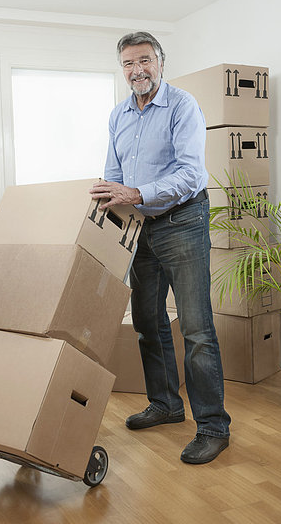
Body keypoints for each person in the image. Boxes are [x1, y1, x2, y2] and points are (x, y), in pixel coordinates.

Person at [90, 31, 231, 464]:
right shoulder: (118, 116)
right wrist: (109, 195)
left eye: (145, 60)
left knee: (196, 327)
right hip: (140, 229)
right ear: (123, 69)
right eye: (129, 63)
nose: (137, 70)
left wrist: (136, 192)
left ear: (160, 62)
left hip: (182, 221)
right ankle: (167, 404)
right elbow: (114, 176)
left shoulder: (183, 106)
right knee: (148, 321)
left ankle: (213, 426)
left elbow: (191, 174)